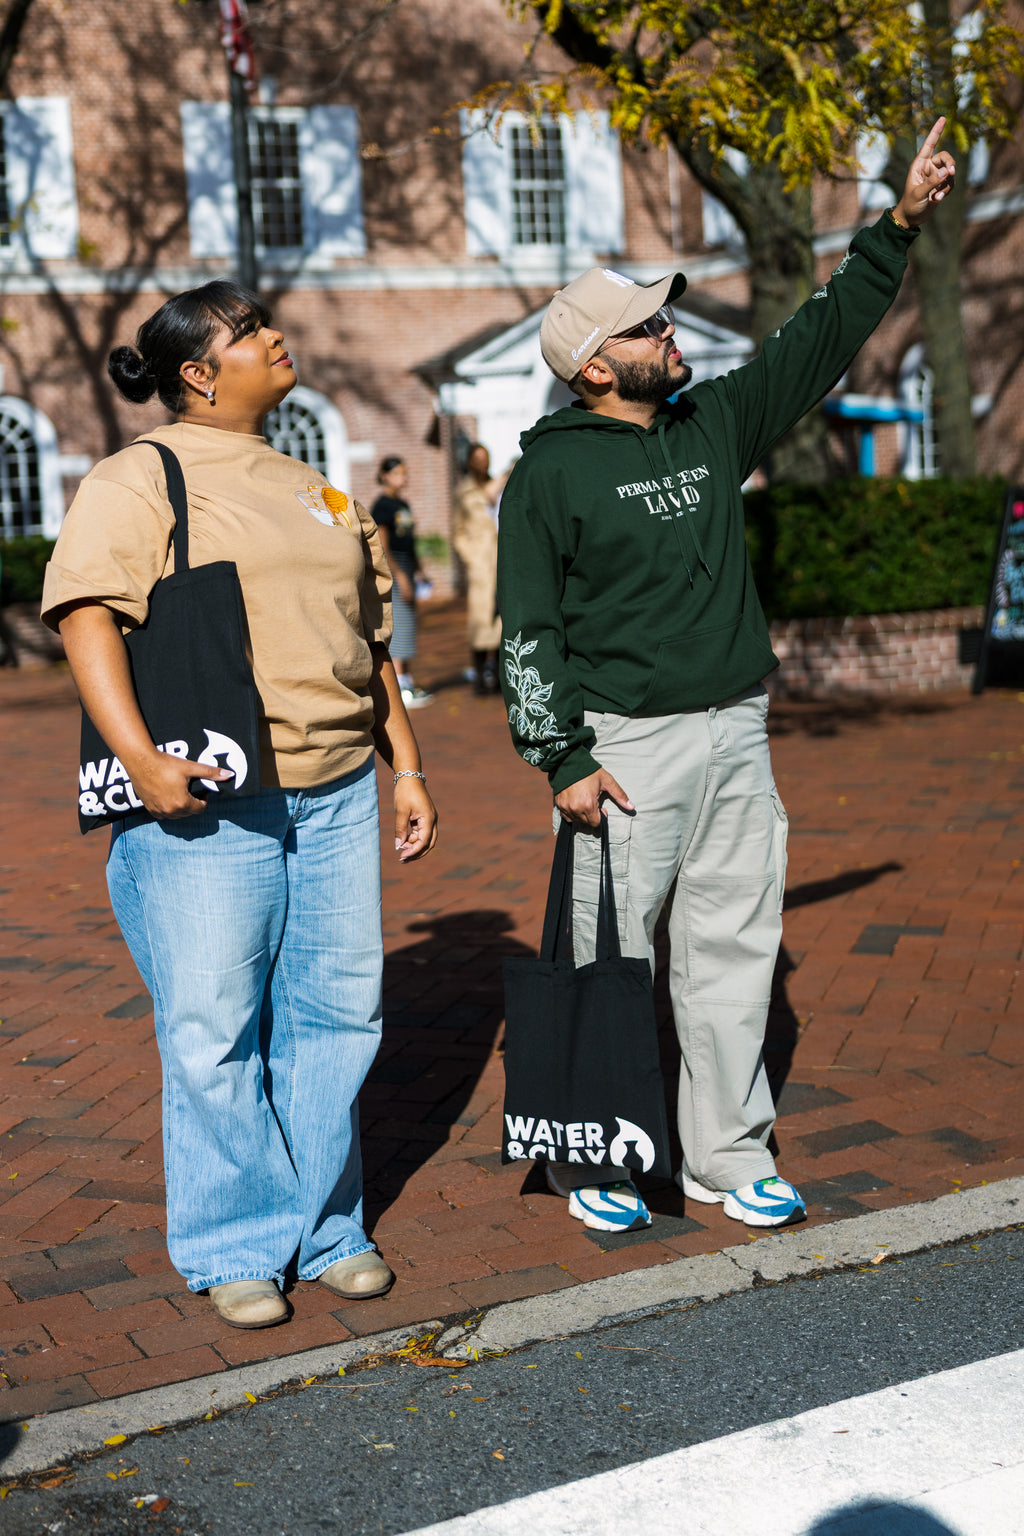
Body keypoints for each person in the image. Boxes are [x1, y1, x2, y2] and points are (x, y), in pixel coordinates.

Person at [496, 120, 955, 1236]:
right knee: (610, 957)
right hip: (622, 747)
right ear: (597, 365)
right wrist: (561, 758)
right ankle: (598, 1156)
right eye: (647, 323)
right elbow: (529, 631)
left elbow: (816, 341)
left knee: (734, 949)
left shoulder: (710, 422)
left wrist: (891, 227)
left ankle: (724, 1152)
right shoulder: (548, 476)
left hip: (736, 731)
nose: (669, 328)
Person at [40, 281, 438, 1329]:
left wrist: (405, 765)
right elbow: (86, 614)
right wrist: (141, 757)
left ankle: (328, 1227)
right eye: (248, 331)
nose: (275, 336)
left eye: (268, 322)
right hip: (210, 800)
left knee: (336, 1018)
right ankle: (235, 1245)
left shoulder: (318, 487)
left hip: (340, 790)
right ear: (198, 375)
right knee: (216, 1029)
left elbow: (371, 646)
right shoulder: (142, 475)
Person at [371, 455, 432, 708]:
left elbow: (409, 541)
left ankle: (406, 679)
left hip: (407, 565)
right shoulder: (382, 506)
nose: (402, 478)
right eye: (397, 473)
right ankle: (399, 686)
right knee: (399, 624)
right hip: (394, 568)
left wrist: (419, 570)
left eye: (404, 473)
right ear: (385, 475)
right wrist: (401, 577)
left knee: (409, 624)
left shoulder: (402, 504)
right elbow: (384, 545)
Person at [452, 442, 503, 694]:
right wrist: (470, 556)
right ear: (470, 462)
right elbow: (458, 531)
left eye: (486, 458)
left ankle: (501, 675)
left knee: (502, 619)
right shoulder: (464, 492)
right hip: (481, 562)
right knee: (481, 619)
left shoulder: (499, 485)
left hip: (501, 556)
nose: (483, 463)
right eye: (478, 459)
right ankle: (481, 677)